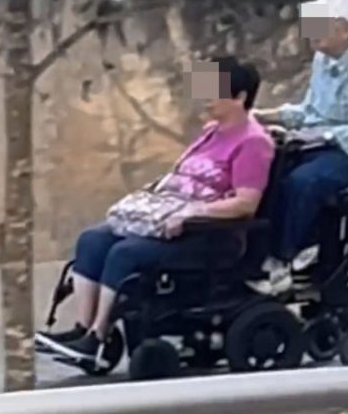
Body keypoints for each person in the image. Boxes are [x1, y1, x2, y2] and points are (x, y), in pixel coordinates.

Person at [36, 56, 274, 366]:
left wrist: (192, 214)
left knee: (125, 253)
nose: (204, 97)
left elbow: (246, 202)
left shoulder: (254, 143)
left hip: (210, 235)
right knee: (93, 239)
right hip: (171, 221)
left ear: (240, 97)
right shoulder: (211, 132)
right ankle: (83, 328)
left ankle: (97, 335)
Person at [254, 0, 348, 294]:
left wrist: (323, 137)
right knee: (266, 166)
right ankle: (255, 252)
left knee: (305, 182)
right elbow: (311, 111)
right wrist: (266, 117)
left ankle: (282, 259)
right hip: (323, 145)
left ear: (344, 28)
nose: (311, 31)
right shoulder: (323, 57)